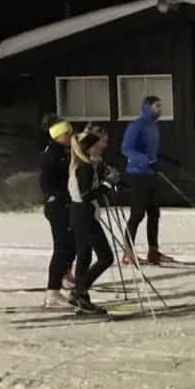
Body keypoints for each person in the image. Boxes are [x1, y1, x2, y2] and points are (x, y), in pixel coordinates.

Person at [68, 128, 121, 314]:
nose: (100, 149)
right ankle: (79, 290)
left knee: (84, 255)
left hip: (79, 213)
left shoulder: (85, 164)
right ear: (89, 148)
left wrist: (106, 178)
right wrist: (107, 184)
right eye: (97, 147)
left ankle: (81, 297)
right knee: (106, 257)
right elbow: (86, 195)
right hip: (84, 213)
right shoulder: (84, 167)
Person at [121, 95, 171, 264]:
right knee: (137, 213)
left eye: (161, 106)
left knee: (154, 212)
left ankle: (153, 251)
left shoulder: (154, 127)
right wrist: (146, 160)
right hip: (137, 173)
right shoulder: (136, 125)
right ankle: (128, 252)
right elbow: (127, 149)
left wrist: (162, 159)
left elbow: (150, 151)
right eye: (157, 106)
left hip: (151, 173)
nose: (160, 110)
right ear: (147, 107)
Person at [40, 118, 78, 309]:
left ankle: (64, 275)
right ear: (57, 135)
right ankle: (52, 292)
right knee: (62, 247)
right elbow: (46, 182)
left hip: (65, 203)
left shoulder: (63, 151)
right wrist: (57, 196)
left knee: (71, 245)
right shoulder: (52, 153)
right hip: (57, 206)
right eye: (67, 133)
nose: (70, 136)